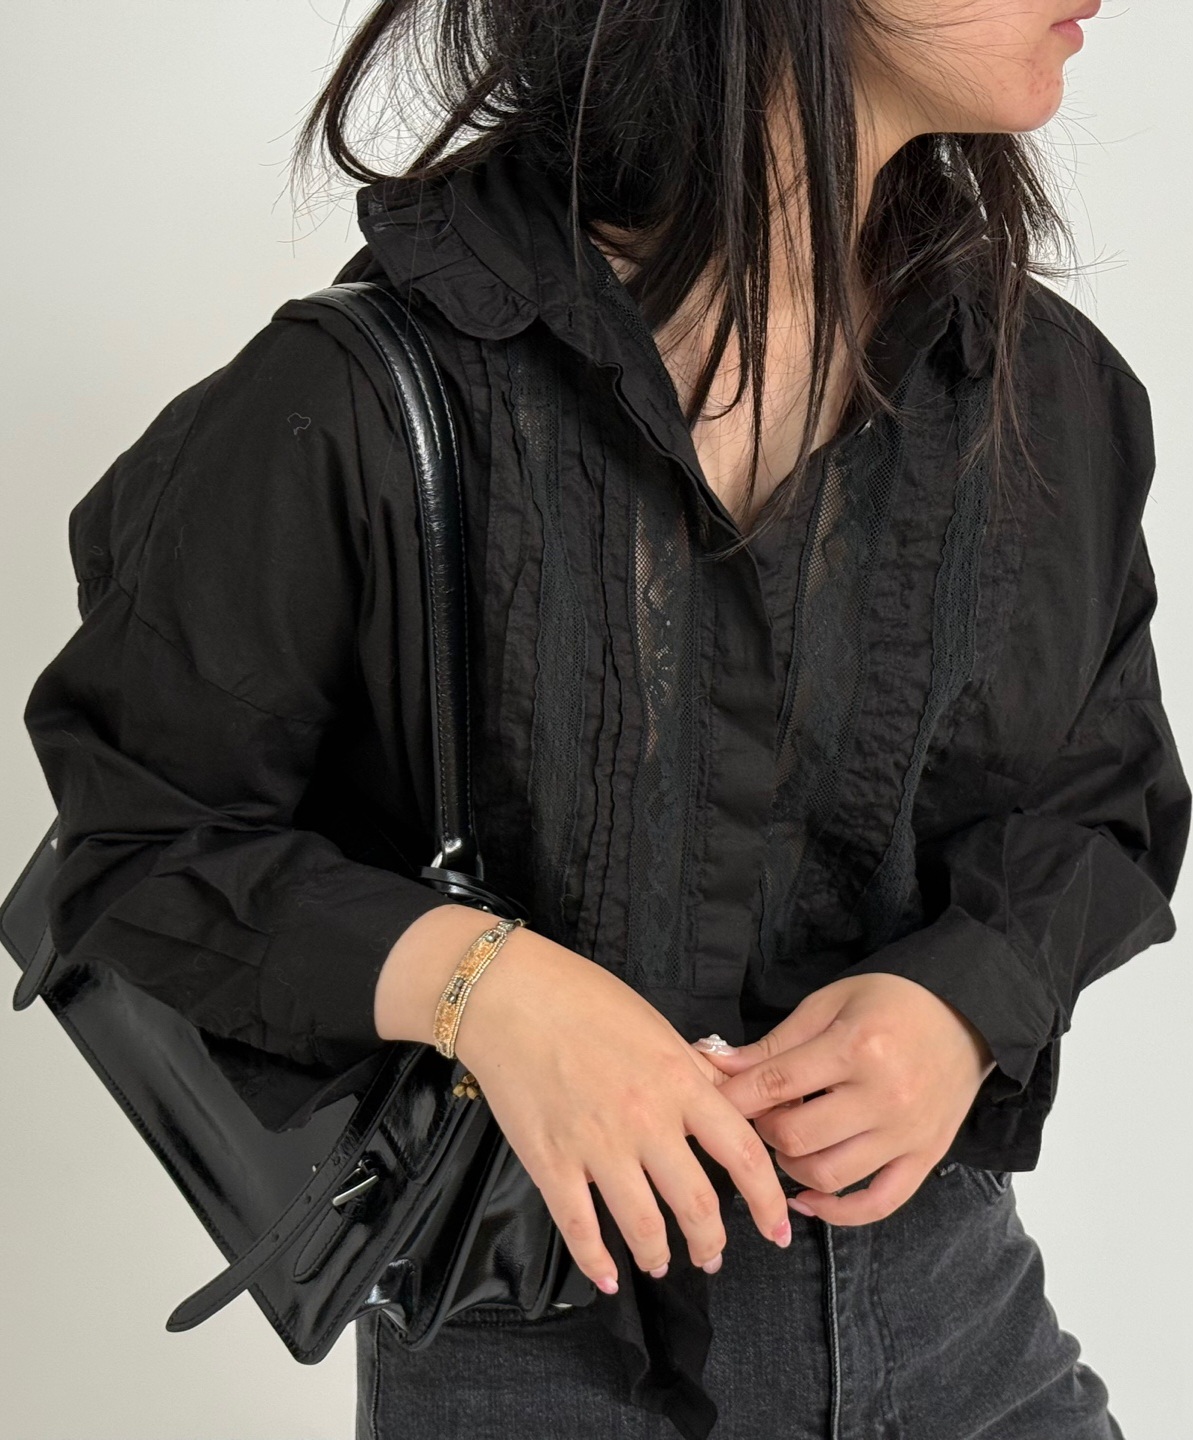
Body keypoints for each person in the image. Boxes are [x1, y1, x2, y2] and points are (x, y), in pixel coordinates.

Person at [22, 1, 1189, 1438]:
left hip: (964, 1340)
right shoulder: (374, 391)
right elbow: (139, 841)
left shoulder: (1038, 386)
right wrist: (487, 989)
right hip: (535, 1360)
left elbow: (1102, 792)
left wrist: (960, 1002)